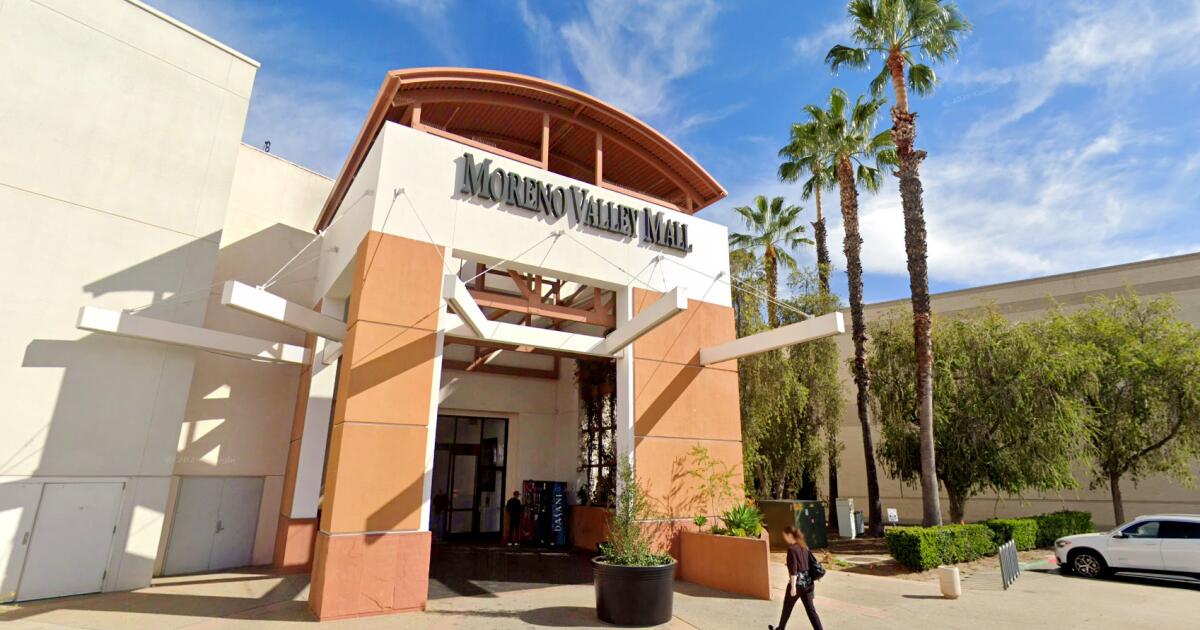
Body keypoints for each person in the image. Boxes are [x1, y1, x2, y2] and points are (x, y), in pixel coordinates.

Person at [770, 525, 824, 630]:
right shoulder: (804, 546)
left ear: (790, 535)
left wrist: (793, 587)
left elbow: (793, 571)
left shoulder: (791, 549)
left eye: (785, 536)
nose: (785, 538)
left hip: (798, 584)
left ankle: (780, 629)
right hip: (809, 584)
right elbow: (810, 564)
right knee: (811, 611)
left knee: (787, 608)